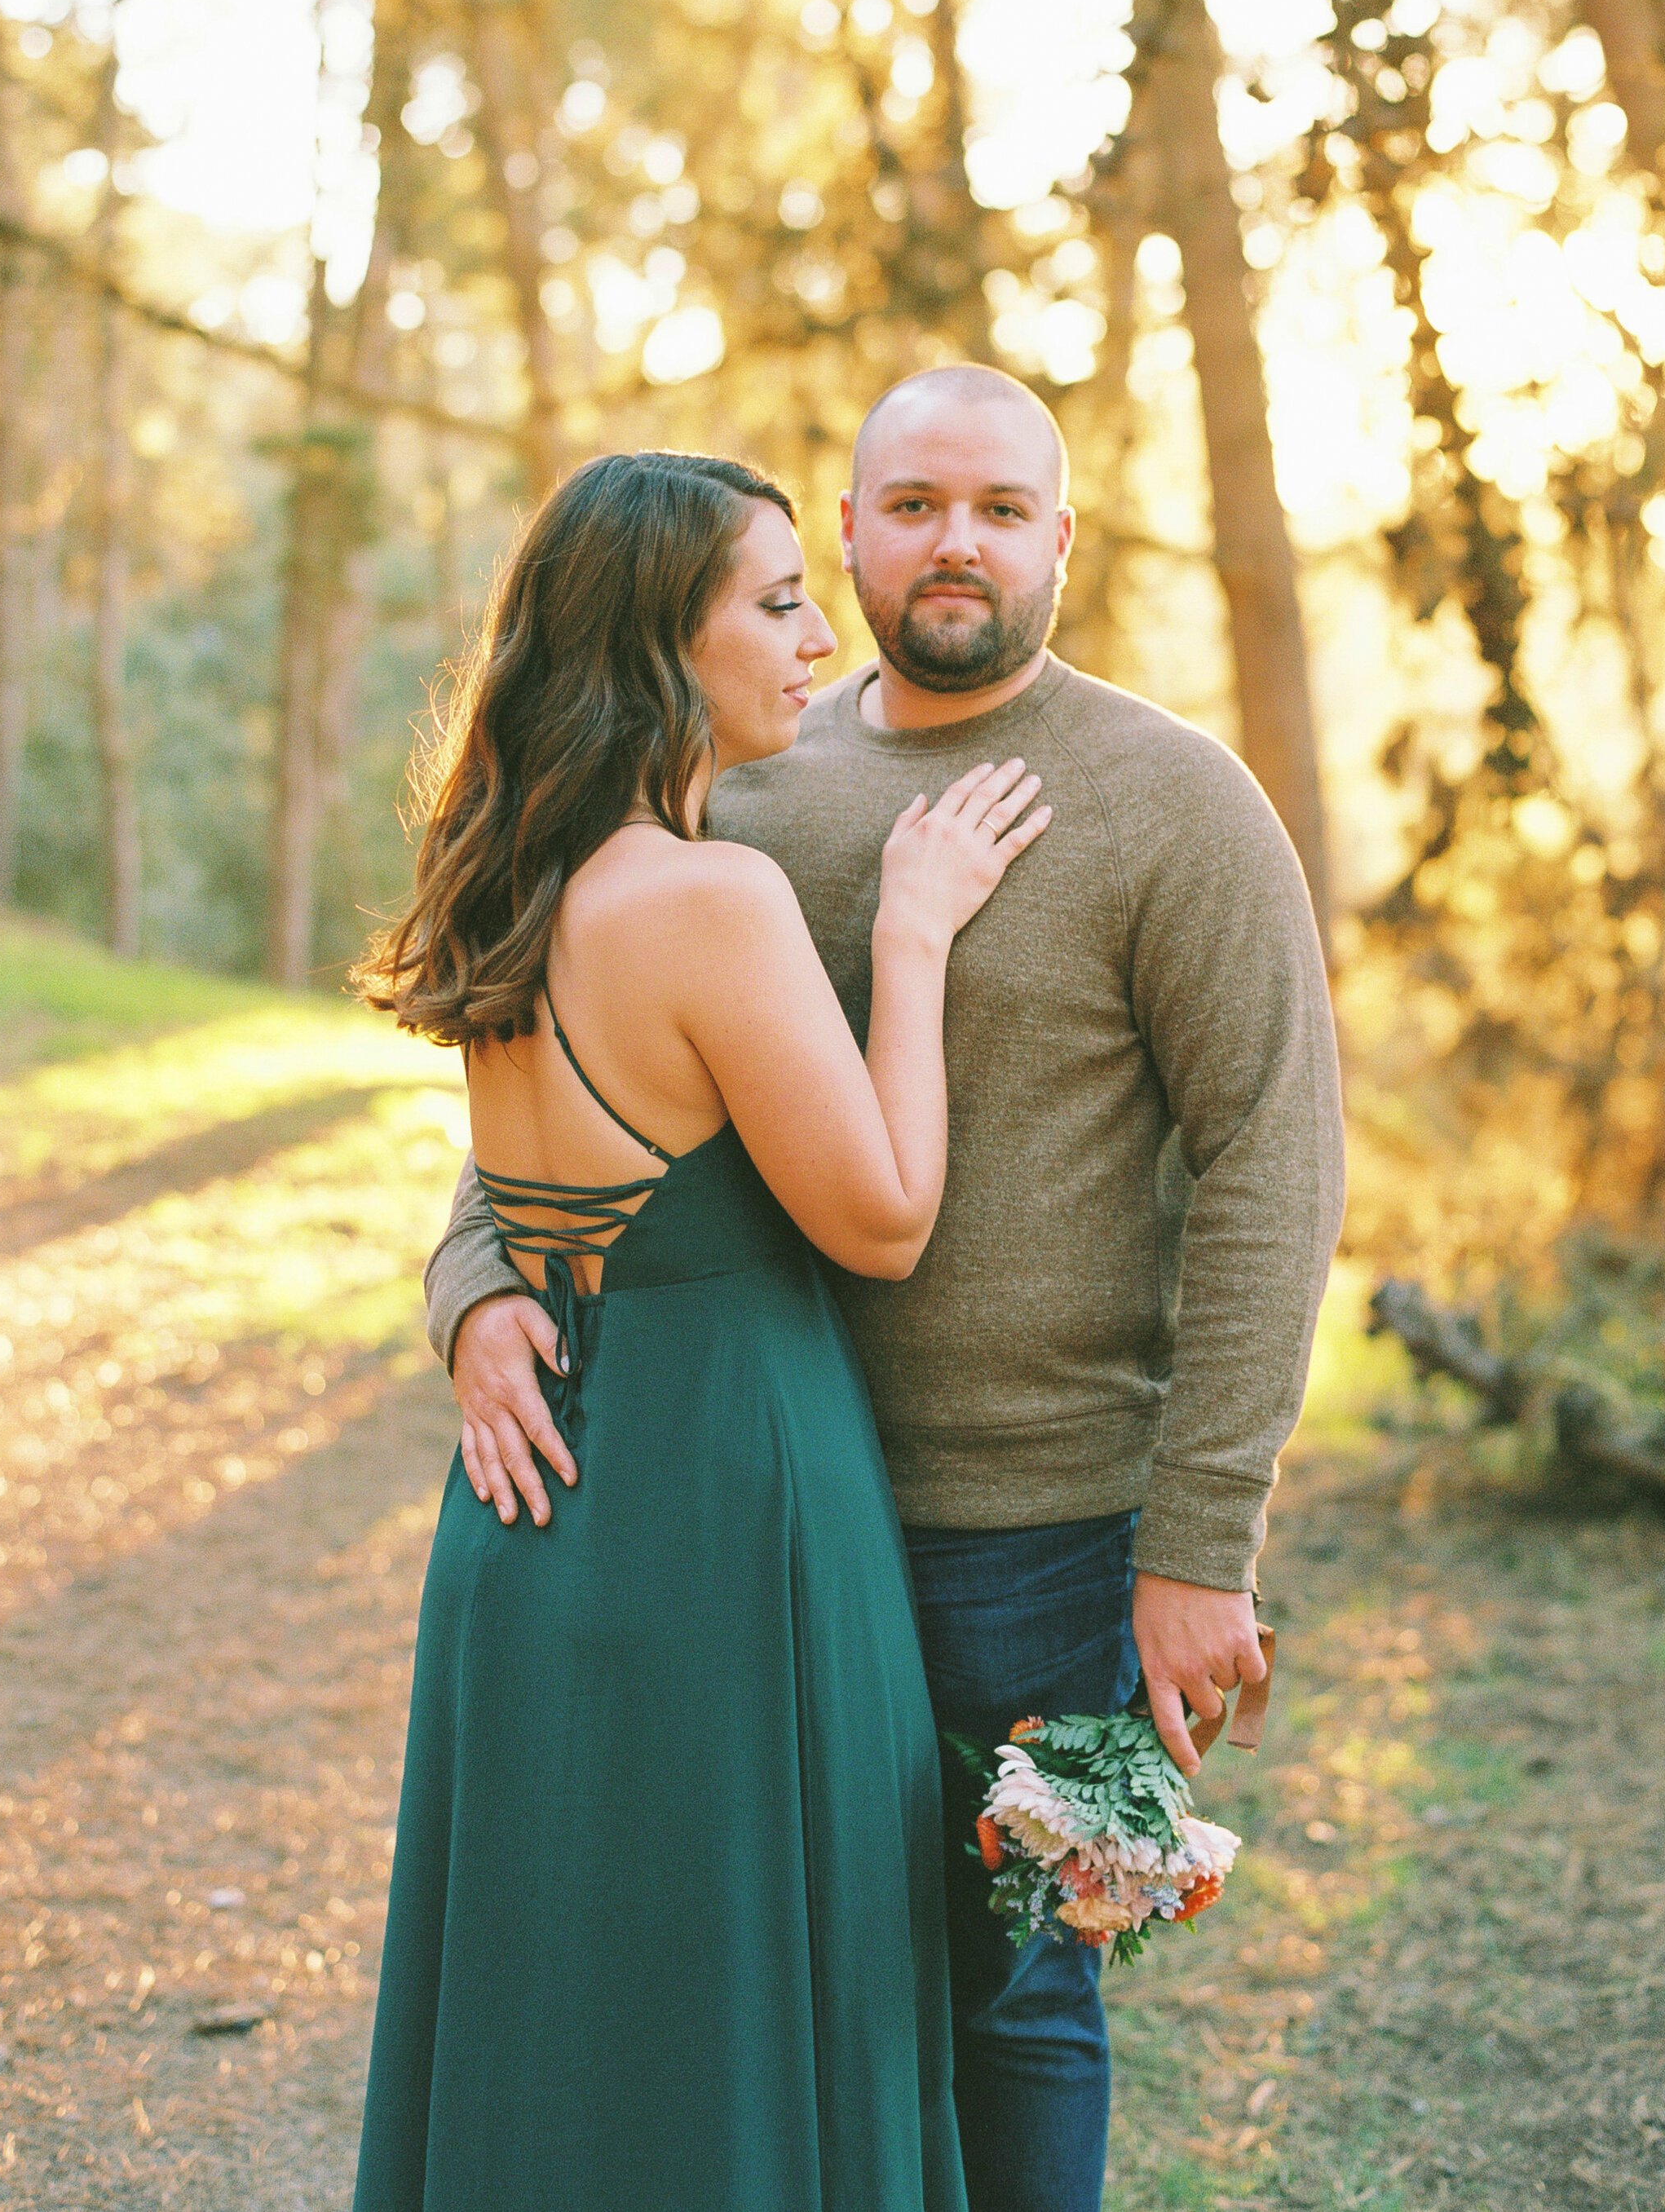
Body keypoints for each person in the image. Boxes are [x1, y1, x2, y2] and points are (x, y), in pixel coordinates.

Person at [426, 368, 1348, 2212]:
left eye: (1002, 506)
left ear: (1059, 539)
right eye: (913, 501)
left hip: (1069, 1540)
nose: (956, 540)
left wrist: (1196, 1540)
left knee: (1035, 1976)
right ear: (844, 534)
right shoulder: (744, 781)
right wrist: (470, 1286)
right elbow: (586, 1079)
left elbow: (1275, 1163)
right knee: (800, 2002)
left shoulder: (1180, 801)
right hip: (762, 1536)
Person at [349, 447, 1051, 2212]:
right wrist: (910, 935)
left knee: (566, 2012)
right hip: (729, 1515)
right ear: (664, 643)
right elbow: (882, 1215)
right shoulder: (707, 895)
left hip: (539, 1516)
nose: (821, 630)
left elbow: (518, 1197)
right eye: (774, 598)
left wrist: (470, 1297)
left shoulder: (516, 869)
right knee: (744, 1998)